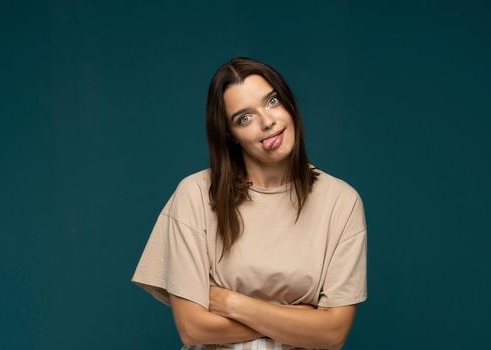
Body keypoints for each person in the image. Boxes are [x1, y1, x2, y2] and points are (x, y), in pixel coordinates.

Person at [132, 57, 367, 350]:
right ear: (230, 135)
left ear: (290, 104)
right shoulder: (194, 195)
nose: (267, 122)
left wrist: (230, 302)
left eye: (272, 101)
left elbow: (332, 334)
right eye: (245, 118)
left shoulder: (341, 202)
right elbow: (193, 328)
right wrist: (301, 319)